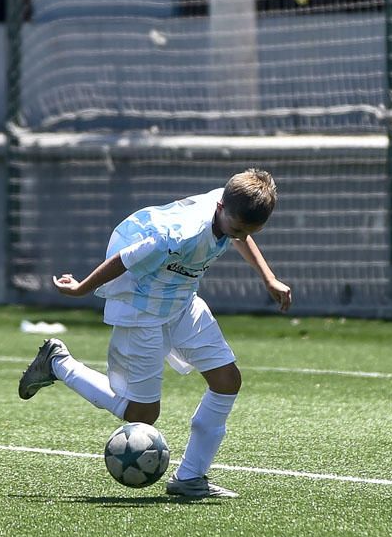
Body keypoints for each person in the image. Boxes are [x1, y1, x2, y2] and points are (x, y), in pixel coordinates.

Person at [18, 169, 292, 498]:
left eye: (250, 230)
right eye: (236, 228)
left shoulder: (234, 206)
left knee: (227, 380)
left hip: (181, 301)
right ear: (220, 206)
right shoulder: (179, 234)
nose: (240, 235)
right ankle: (58, 363)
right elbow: (124, 259)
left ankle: (190, 478)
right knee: (142, 415)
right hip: (141, 308)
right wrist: (80, 289)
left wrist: (268, 278)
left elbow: (241, 236)